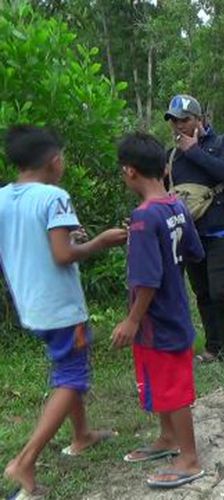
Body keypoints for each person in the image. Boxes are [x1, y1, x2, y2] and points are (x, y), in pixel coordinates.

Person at [0, 125, 126, 498]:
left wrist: (70, 238)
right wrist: (100, 242)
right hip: (60, 307)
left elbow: (32, 244)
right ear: (54, 161)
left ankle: (82, 434)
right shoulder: (54, 197)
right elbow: (62, 255)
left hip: (31, 303)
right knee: (72, 377)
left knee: (66, 367)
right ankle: (25, 461)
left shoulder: (4, 197)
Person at [111, 132, 205, 489]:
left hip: (157, 318)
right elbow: (193, 252)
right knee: (162, 383)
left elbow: (147, 279)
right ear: (165, 168)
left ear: (130, 172)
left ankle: (190, 456)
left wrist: (132, 320)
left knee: (173, 388)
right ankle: (167, 439)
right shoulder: (176, 205)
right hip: (174, 309)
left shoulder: (142, 217)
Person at [164, 94, 224, 362]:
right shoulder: (172, 156)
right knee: (203, 292)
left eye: (185, 120)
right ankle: (213, 346)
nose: (179, 127)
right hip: (190, 232)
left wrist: (194, 152)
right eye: (174, 122)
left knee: (221, 288)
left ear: (200, 119)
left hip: (220, 228)